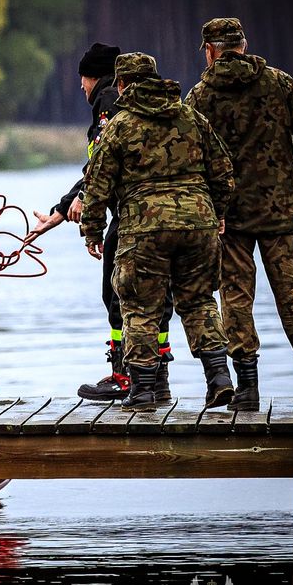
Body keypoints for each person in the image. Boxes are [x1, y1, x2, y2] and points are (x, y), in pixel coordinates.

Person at [185, 18, 293, 410]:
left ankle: (246, 389)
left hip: (227, 216)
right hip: (280, 211)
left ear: (210, 50)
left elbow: (190, 157)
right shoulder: (280, 83)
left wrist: (206, 207)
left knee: (235, 297)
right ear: (243, 44)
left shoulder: (199, 96)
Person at [80, 52, 235, 411]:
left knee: (139, 307)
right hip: (198, 224)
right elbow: (224, 170)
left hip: (143, 228)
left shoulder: (120, 124)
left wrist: (92, 230)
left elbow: (98, 183)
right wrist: (218, 212)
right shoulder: (191, 117)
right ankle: (219, 379)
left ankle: (144, 391)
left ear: (121, 83)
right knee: (199, 302)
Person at [25, 42, 175, 402]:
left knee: (119, 294)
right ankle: (157, 379)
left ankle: (124, 376)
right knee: (160, 299)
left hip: (132, 218)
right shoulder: (167, 106)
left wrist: (80, 206)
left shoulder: (109, 102)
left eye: (83, 78)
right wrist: (62, 210)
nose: (81, 87)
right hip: (170, 217)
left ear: (99, 77)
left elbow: (102, 167)